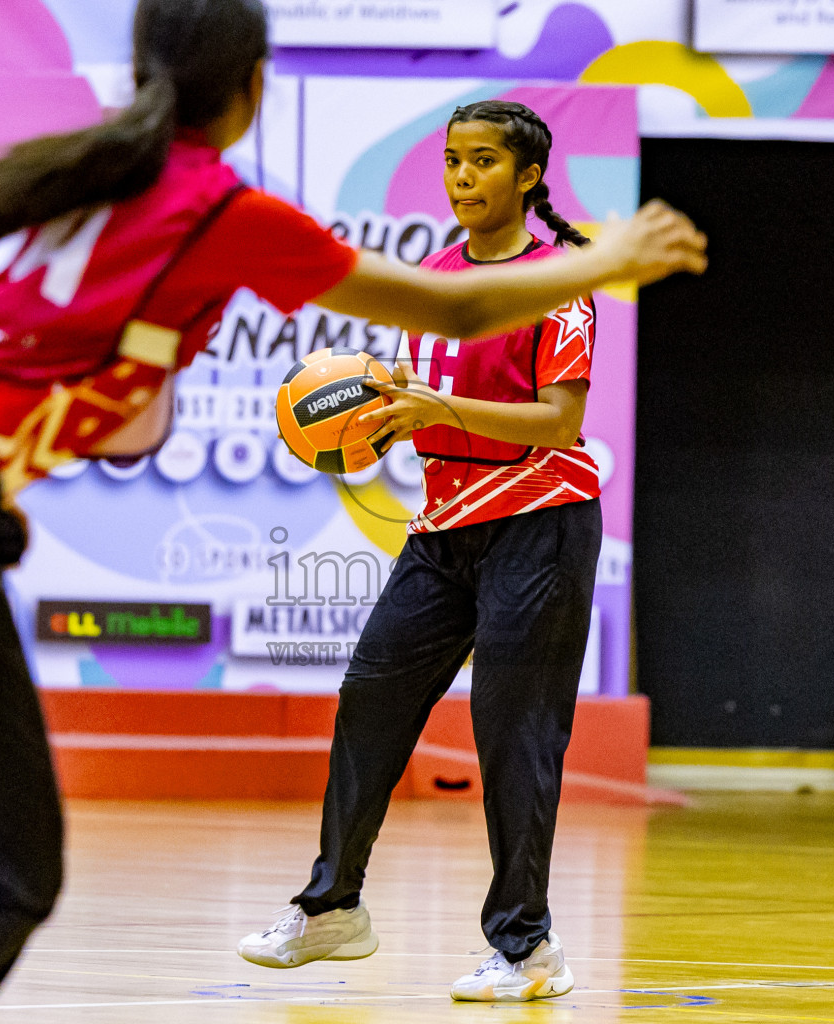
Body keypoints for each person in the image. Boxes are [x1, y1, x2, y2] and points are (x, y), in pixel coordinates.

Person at [0, 1, 705, 1020]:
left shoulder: (37, 175)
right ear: (251, 89)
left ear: (140, 71)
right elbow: (459, 307)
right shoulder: (217, 210)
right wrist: (608, 259)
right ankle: (346, 902)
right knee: (1, 873)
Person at [236, 98, 626, 1002]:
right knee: (370, 696)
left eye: (484, 161)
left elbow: (559, 422)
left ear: (528, 177)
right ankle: (333, 907)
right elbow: (426, 396)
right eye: (454, 161)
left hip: (542, 523)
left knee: (513, 734)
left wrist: (441, 411)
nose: (462, 177)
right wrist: (375, 413)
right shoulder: (436, 277)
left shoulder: (558, 282)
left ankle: (528, 947)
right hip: (445, 525)